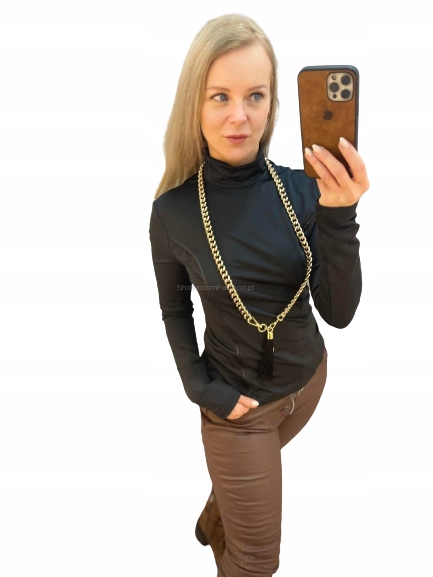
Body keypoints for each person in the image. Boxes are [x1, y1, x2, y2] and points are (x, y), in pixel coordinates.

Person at [149, 13, 369, 577]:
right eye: (220, 96)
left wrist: (340, 215)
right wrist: (199, 387)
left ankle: (219, 510)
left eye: (255, 96)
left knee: (247, 505)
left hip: (309, 384)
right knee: (255, 564)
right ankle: (227, 512)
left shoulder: (305, 190)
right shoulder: (173, 212)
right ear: (195, 104)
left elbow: (339, 313)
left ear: (273, 105)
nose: (239, 116)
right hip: (238, 411)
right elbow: (174, 308)